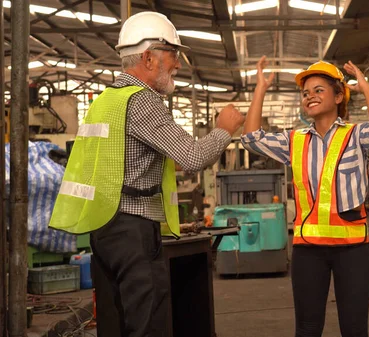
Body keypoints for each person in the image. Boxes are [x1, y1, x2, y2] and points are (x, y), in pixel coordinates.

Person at [48, 11, 244, 337]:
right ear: (150, 58)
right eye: (173, 54)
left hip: (105, 228)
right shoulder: (143, 101)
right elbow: (192, 157)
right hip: (133, 231)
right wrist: (223, 131)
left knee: (118, 322)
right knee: (148, 324)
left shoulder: (107, 100)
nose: (178, 64)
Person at [241, 56, 369, 337]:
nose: (310, 96)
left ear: (338, 96)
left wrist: (367, 89)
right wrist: (260, 88)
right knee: (308, 329)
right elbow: (251, 138)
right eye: (305, 93)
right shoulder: (294, 140)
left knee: (354, 329)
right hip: (308, 250)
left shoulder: (356, 135)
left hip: (353, 251)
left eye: (319, 90)